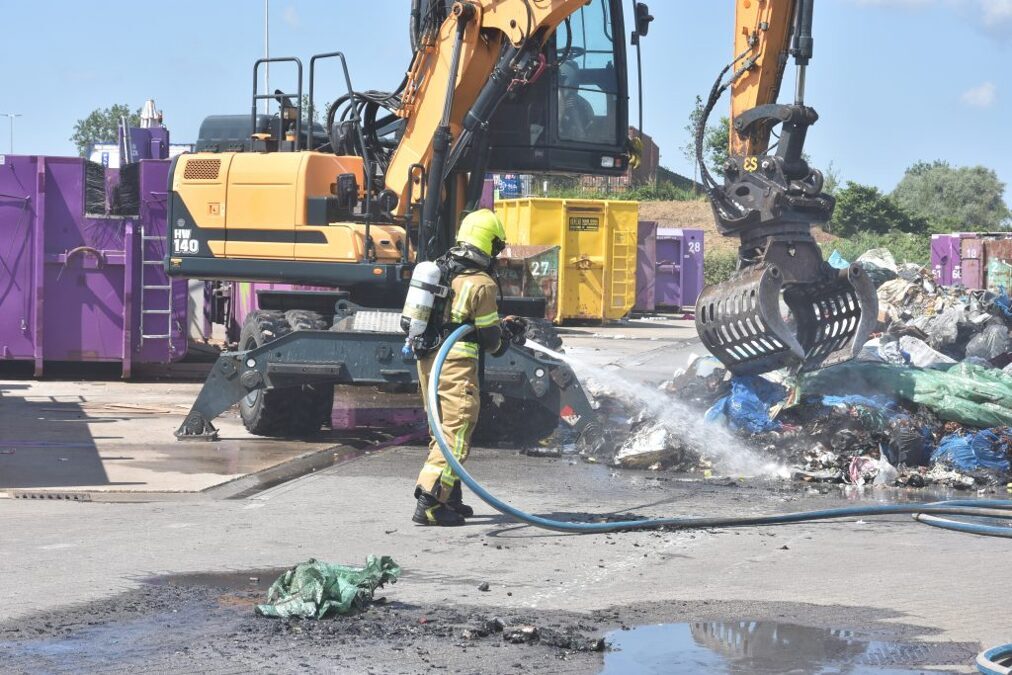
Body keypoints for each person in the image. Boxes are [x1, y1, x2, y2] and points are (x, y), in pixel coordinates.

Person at [413, 209, 526, 526]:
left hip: (428, 359)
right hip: (456, 363)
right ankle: (431, 504)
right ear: (488, 244)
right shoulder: (481, 284)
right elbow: (491, 342)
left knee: (441, 427)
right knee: (458, 429)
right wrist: (508, 336)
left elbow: (457, 319)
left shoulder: (441, 270)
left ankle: (451, 496)